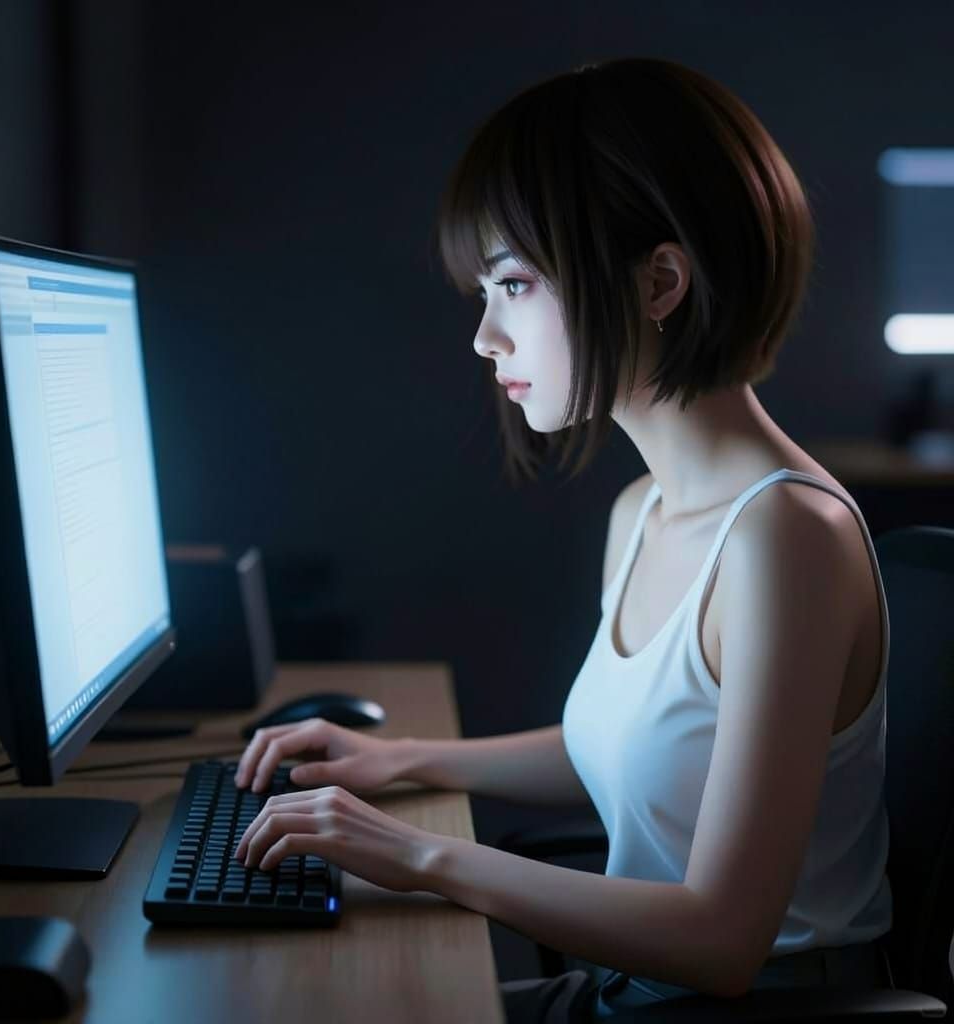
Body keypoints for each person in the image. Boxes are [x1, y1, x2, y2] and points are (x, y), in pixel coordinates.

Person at [232, 57, 895, 1022]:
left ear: (660, 281)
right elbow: (643, 744)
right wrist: (407, 761)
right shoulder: (646, 512)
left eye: (514, 284)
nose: (486, 337)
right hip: (638, 997)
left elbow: (723, 941)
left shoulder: (787, 540)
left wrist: (418, 855)